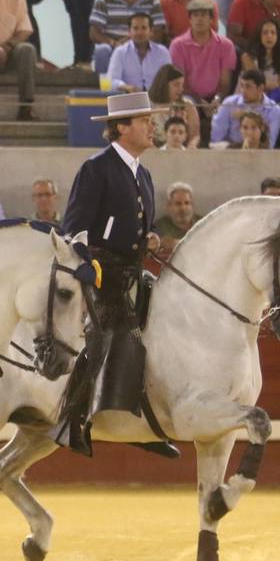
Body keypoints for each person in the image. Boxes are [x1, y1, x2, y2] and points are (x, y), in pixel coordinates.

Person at [52, 92, 159, 455]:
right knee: (112, 331)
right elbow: (74, 227)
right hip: (100, 271)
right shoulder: (95, 168)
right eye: (144, 121)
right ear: (122, 128)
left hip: (133, 271)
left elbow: (135, 226)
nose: (152, 126)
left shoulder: (142, 173)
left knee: (165, 322)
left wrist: (149, 240)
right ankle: (73, 417)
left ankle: (151, 418)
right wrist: (87, 263)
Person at [90, 0, 167, 72]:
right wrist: (114, 43)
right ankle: (104, 88)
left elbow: (158, 33)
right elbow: (93, 33)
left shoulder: (152, 1)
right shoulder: (104, 0)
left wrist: (135, 43)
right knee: (102, 50)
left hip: (142, 46)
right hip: (112, 47)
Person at [168, 0, 237, 107]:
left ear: (211, 19)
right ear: (189, 19)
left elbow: (225, 82)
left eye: (204, 15)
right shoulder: (177, 45)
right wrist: (200, 102)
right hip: (188, 97)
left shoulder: (226, 45)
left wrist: (217, 98)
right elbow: (180, 82)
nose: (199, 19)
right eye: (195, 15)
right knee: (187, 103)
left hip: (218, 97)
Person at [211, 68, 280, 147]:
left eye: (248, 86)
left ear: (260, 88)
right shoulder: (229, 103)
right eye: (242, 85)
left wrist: (247, 114)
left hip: (260, 154)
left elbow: (270, 143)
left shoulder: (273, 109)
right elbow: (216, 138)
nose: (243, 91)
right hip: (231, 152)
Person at [107, 11, 171, 93]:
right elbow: (111, 81)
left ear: (151, 31)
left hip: (157, 99)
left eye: (144, 28)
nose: (139, 32)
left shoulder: (162, 52)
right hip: (129, 98)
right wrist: (127, 87)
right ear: (129, 32)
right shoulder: (120, 52)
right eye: (135, 28)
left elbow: (169, 79)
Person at [153, 181, 200, 261]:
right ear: (169, 206)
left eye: (187, 203)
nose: (183, 208)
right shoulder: (158, 228)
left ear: (192, 205)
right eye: (178, 204)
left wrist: (175, 243)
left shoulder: (202, 223)